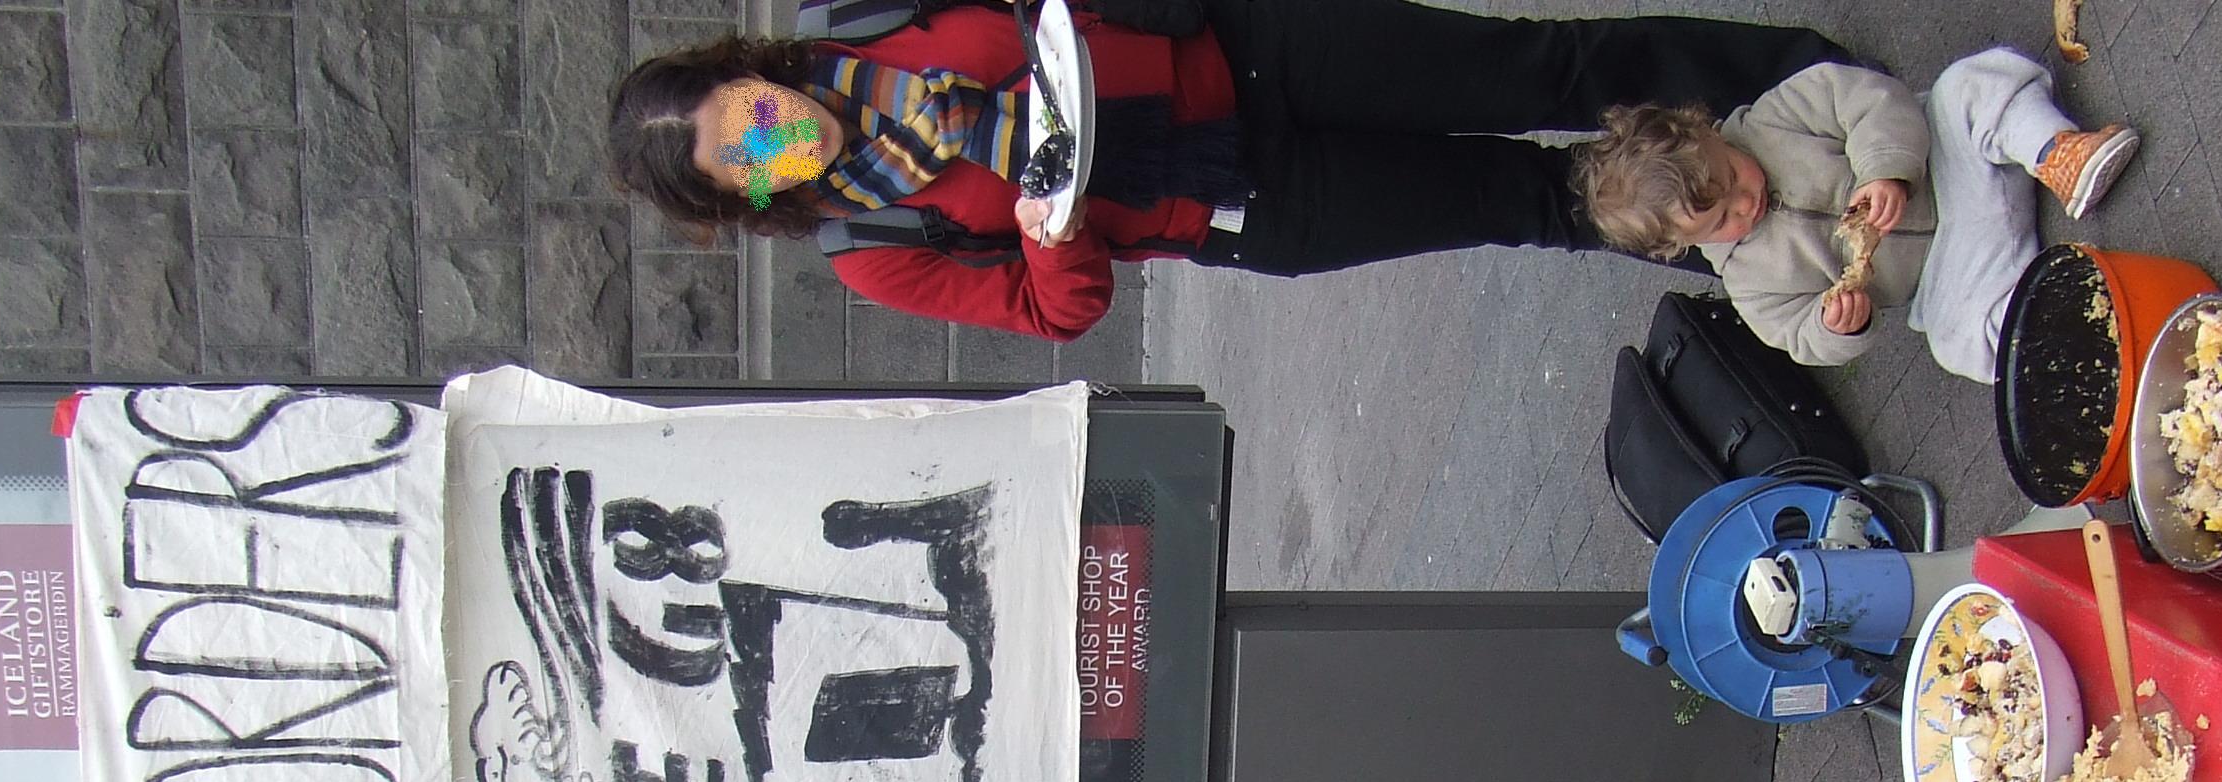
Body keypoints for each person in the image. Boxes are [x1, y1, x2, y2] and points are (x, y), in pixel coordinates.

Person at [604, 1, 1860, 341]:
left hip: (1248, 45)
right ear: (749, 201)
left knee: (1536, 71)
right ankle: (1777, 249)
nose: (773, 136)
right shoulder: (874, 252)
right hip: (1244, 203)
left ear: (749, 70)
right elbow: (1058, 311)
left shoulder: (864, 14)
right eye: (742, 161)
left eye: (746, 110)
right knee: (1530, 201)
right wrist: (1046, 223)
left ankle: (1789, 90)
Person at [1573, 48, 2138, 379]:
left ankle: (2055, 153)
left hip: (1948, 169)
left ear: (1707, 130)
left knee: (1966, 88)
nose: (1744, 204)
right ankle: (2065, 327)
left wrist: (1882, 169)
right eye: (1721, 220)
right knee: (1954, 343)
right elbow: (1798, 337)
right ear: (1680, 246)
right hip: (1950, 267)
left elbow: (1869, 98)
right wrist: (1837, 325)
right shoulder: (1749, 284)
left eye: (1733, 177)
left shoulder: (1776, 117)